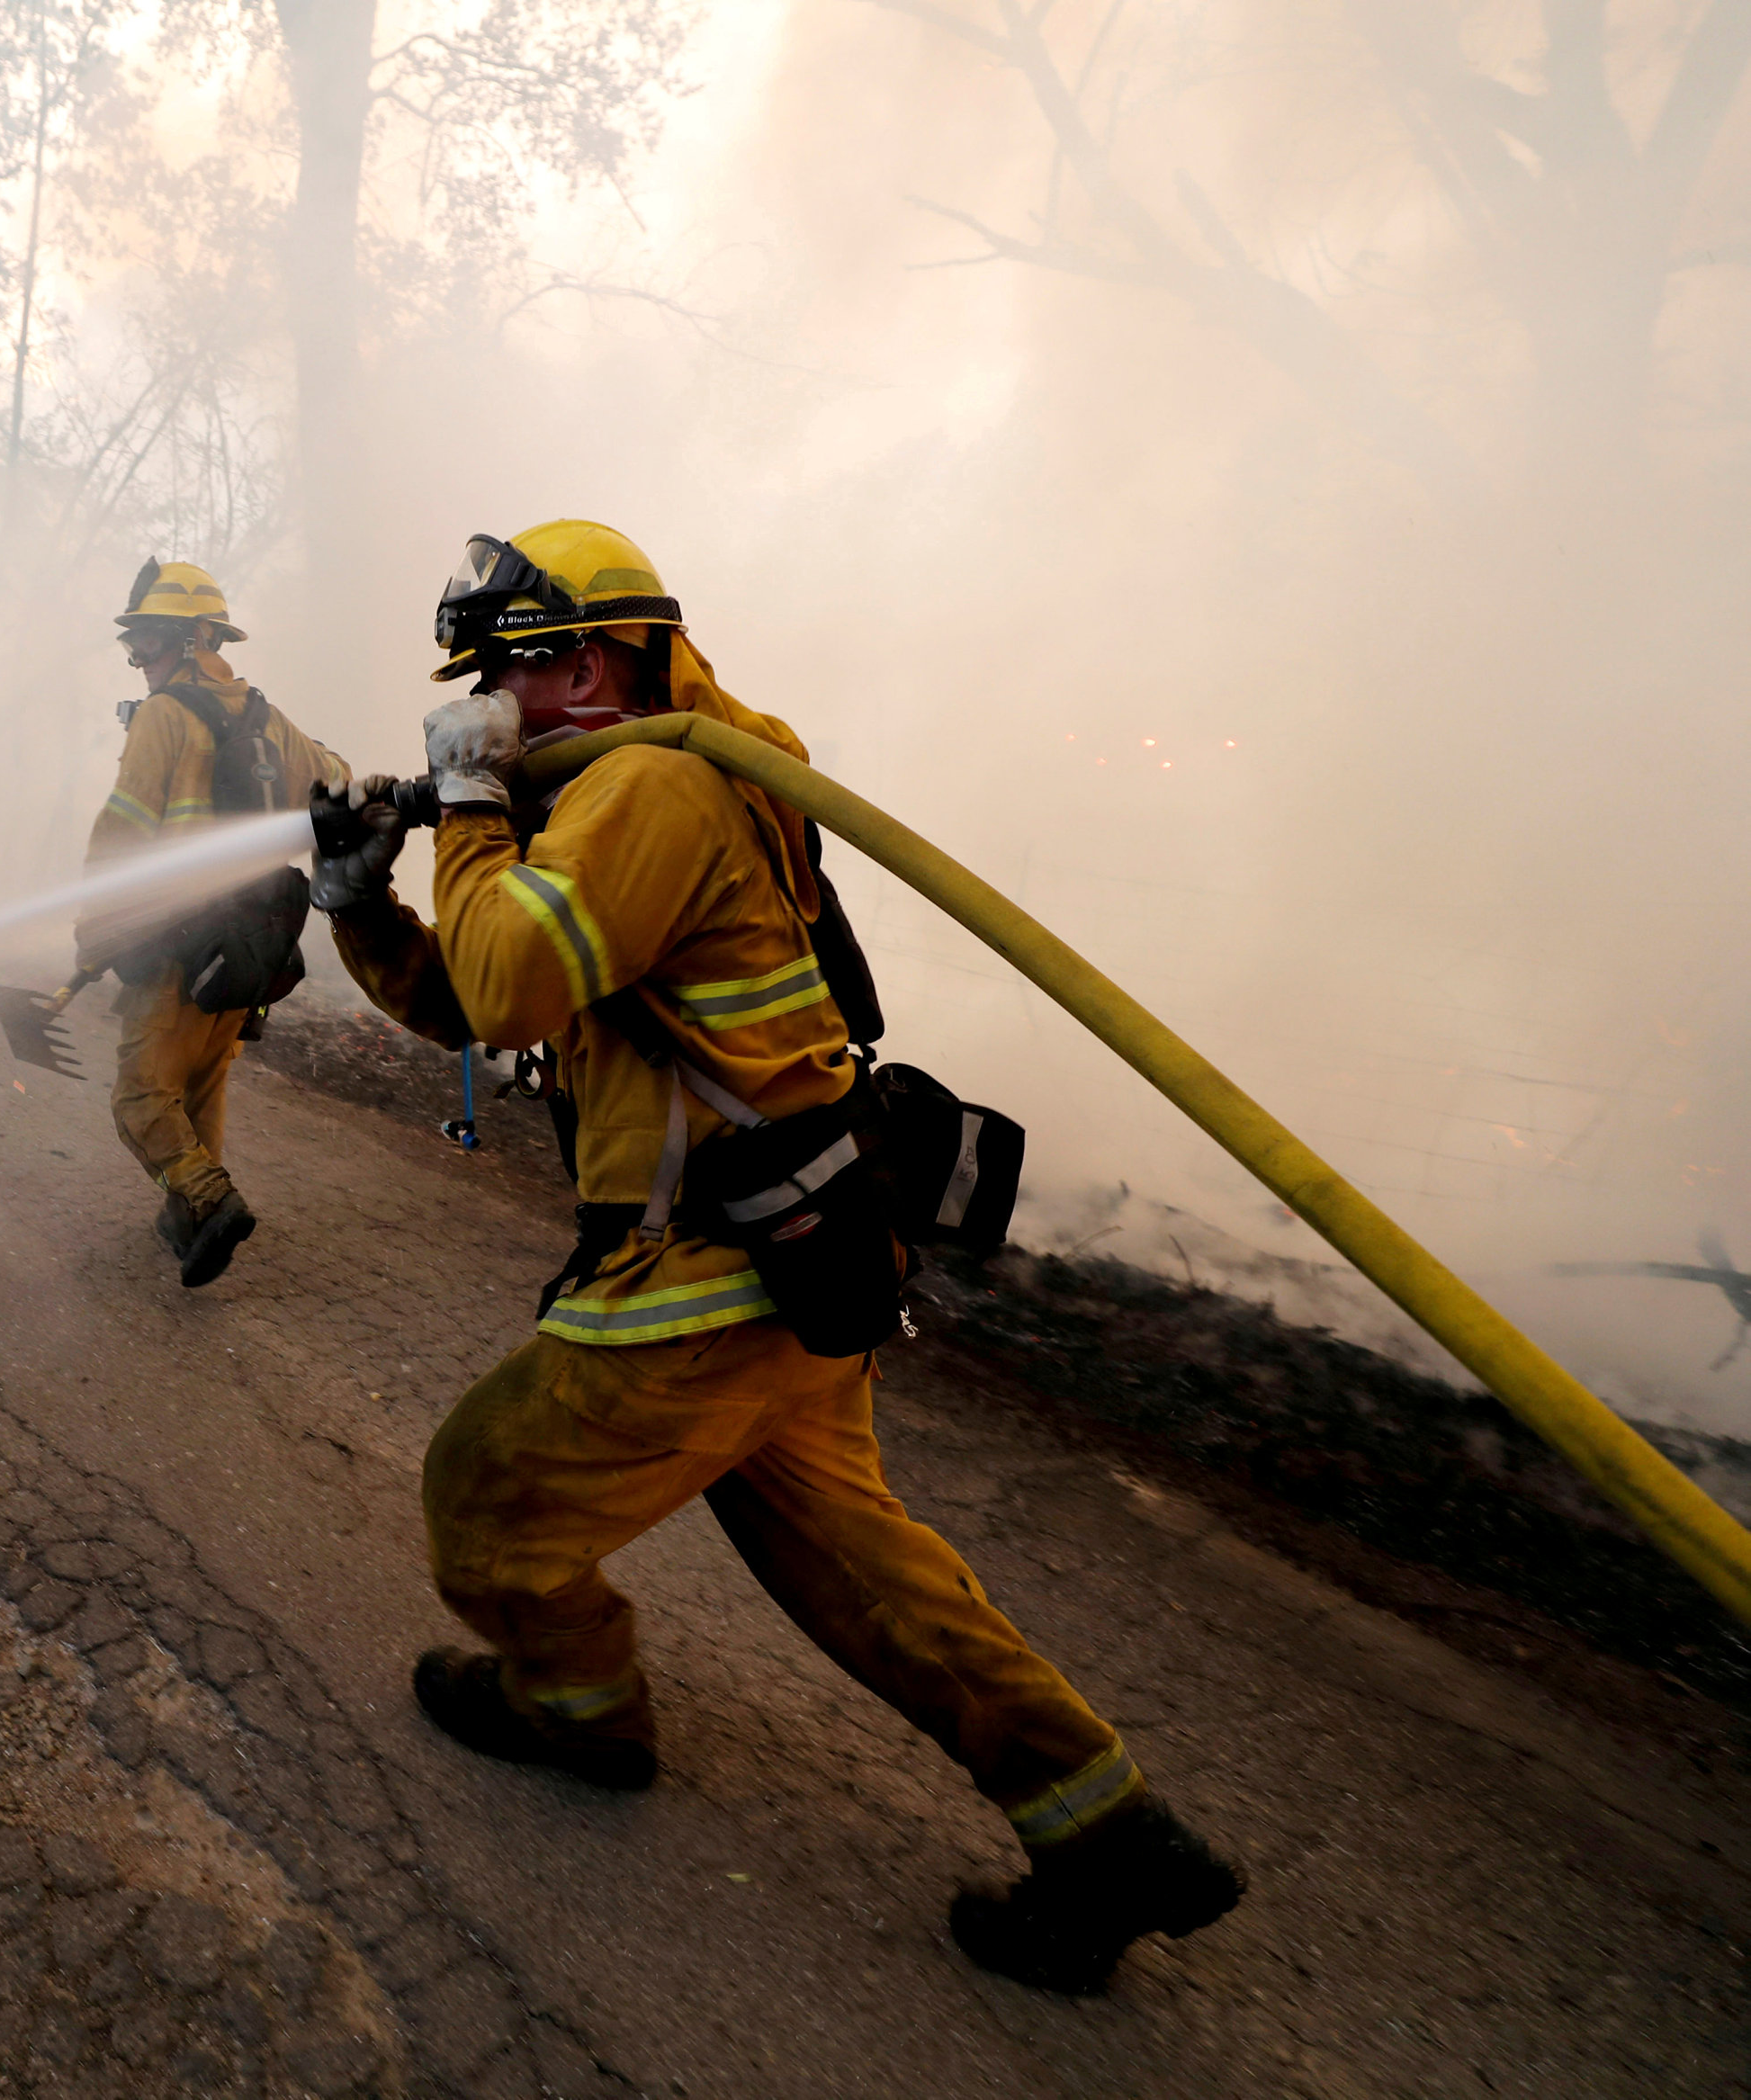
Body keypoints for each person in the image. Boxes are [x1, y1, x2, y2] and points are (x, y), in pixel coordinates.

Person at [305, 519, 1243, 1994]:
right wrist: (365, 902)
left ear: (597, 662)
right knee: (864, 1569)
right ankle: (1109, 1826)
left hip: (701, 1279)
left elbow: (508, 971)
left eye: (505, 672)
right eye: (476, 680)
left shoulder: (654, 785)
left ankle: (579, 1706)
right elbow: (496, 1007)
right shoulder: (642, 795)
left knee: (485, 1490)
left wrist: (471, 797)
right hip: (789, 1261)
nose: (483, 701)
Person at [78, 559, 349, 1286]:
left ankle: (208, 1199)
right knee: (200, 1085)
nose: (139, 663)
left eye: (148, 646)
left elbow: (123, 831)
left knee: (140, 1096)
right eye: (133, 648)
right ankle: (188, 1218)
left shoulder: (165, 717)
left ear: (193, 640)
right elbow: (341, 781)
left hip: (174, 946)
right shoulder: (270, 721)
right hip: (249, 947)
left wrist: (94, 929)